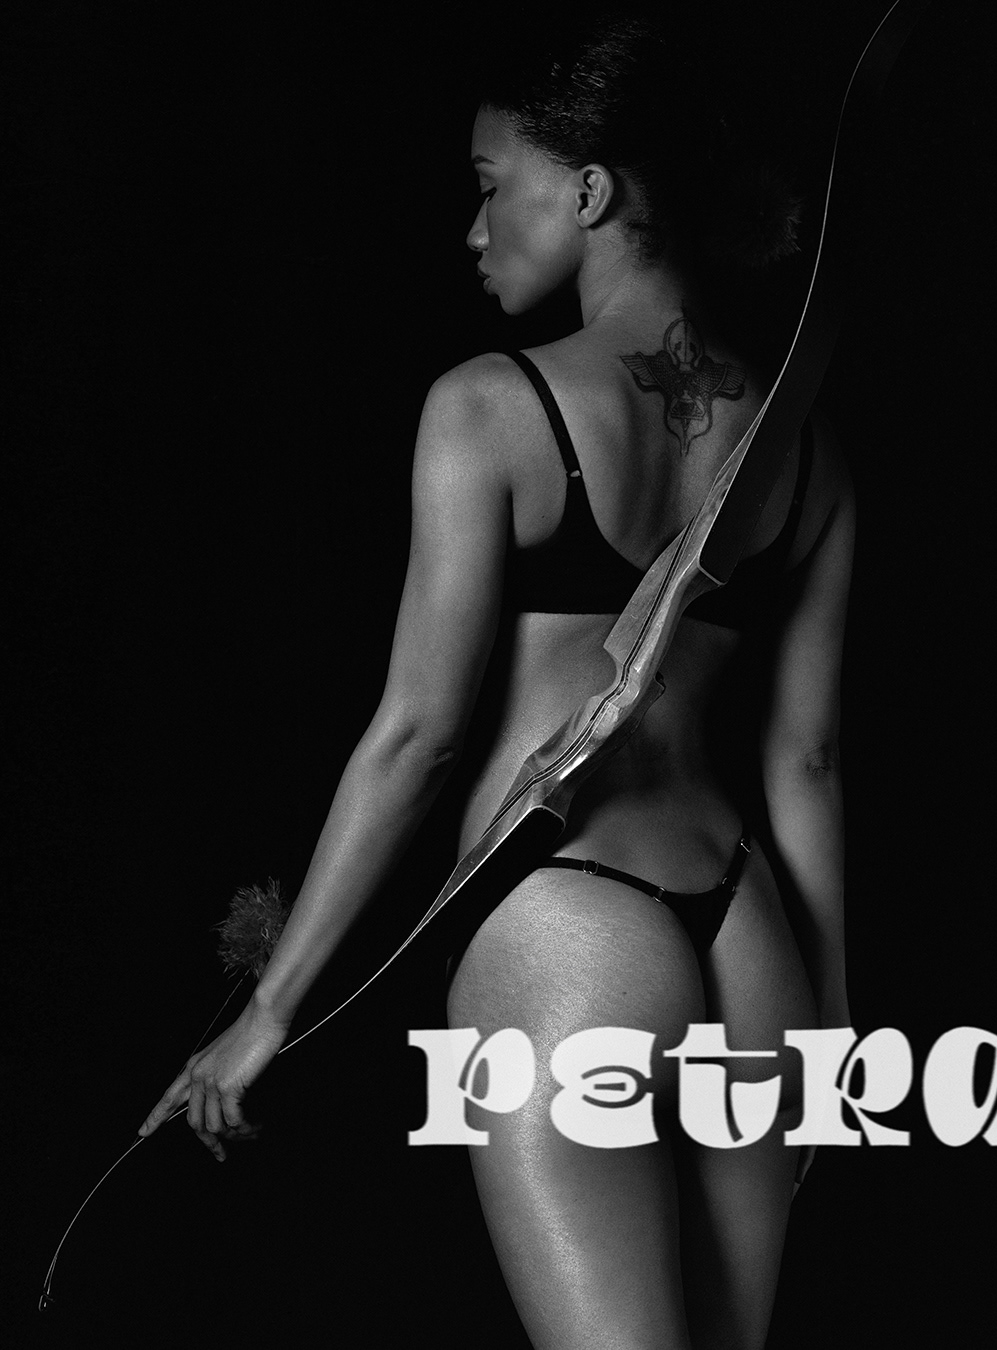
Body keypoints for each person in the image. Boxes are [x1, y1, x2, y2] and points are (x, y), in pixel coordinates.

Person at [139, 14, 853, 1348]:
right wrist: (833, 1023)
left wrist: (270, 1011)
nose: (473, 231)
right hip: (751, 931)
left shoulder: (489, 407)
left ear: (588, 193)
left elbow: (416, 737)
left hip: (566, 923)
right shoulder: (802, 450)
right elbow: (805, 762)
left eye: (489, 186)